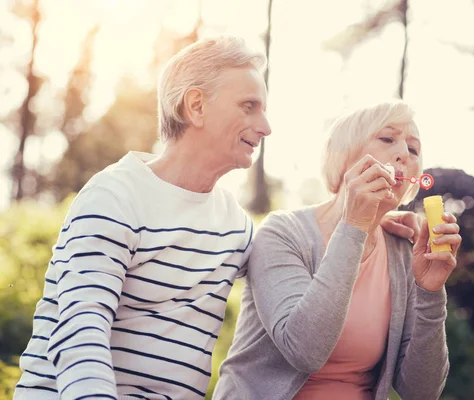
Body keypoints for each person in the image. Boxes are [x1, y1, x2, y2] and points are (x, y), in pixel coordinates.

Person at [13, 37, 420, 399]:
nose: (266, 126)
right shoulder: (116, 196)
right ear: (196, 106)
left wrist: (376, 223)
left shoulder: (236, 225)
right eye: (249, 107)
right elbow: (81, 328)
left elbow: (299, 255)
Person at [213, 100, 462, 400]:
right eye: (387, 138)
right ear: (344, 156)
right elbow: (305, 350)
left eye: (414, 149)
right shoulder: (283, 232)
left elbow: (422, 392)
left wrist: (430, 293)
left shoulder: (402, 251)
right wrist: (355, 225)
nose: (403, 155)